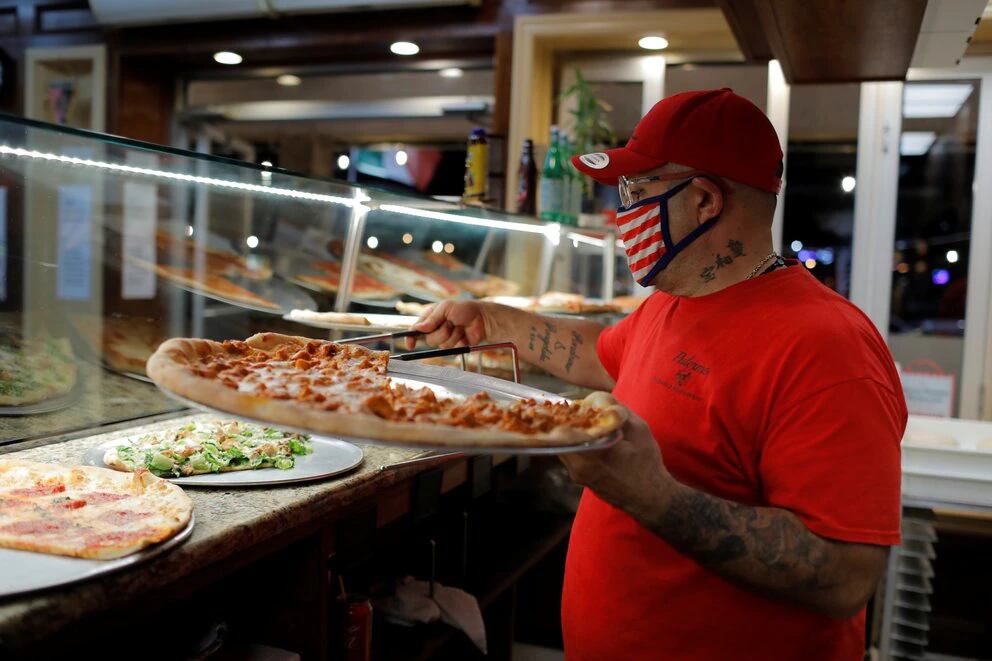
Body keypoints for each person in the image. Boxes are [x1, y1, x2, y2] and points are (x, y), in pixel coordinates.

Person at [407, 88, 906, 660]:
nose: (622, 214)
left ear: (703, 201)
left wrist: (650, 494)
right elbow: (603, 354)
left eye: (637, 192)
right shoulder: (678, 298)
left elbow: (845, 576)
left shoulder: (829, 347)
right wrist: (490, 318)